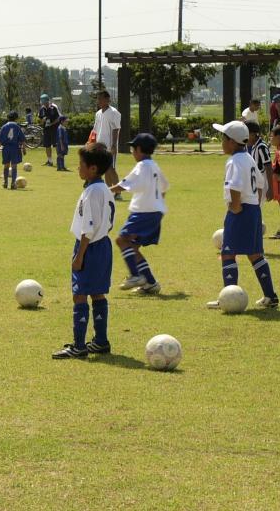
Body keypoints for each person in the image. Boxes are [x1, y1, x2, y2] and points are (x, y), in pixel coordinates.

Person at [52, 143, 115, 359]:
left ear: (93, 168)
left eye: (81, 165)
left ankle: (79, 346)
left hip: (89, 246)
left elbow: (88, 227)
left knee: (79, 295)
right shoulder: (104, 188)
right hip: (104, 245)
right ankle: (100, 341)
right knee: (98, 292)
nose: (78, 168)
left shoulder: (92, 192)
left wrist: (79, 256)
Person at [206, 121, 279, 309]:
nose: (221, 142)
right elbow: (261, 184)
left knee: (228, 253)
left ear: (232, 141)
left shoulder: (234, 161)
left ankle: (228, 297)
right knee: (255, 254)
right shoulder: (248, 158)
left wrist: (236, 208)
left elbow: (235, 187)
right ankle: (270, 296)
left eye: (223, 138)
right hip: (253, 209)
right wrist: (254, 204)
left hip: (241, 210)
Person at [110, 134, 168, 295]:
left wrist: (106, 192)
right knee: (133, 247)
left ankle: (135, 275)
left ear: (139, 150)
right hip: (155, 212)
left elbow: (125, 184)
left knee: (121, 240)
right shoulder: (154, 165)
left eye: (133, 148)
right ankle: (150, 283)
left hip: (144, 212)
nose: (132, 151)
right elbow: (164, 186)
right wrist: (158, 203)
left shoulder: (142, 166)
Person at [92, 90, 122, 198]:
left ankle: (118, 192)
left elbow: (116, 129)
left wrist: (114, 145)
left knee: (111, 169)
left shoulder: (114, 112)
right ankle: (109, 191)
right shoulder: (98, 113)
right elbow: (95, 130)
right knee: (105, 169)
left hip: (110, 146)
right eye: (97, 98)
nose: (98, 101)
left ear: (107, 99)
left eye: (100, 98)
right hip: (100, 146)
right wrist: (92, 143)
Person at [0, 111, 26, 189]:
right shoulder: (17, 127)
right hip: (14, 148)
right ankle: (13, 183)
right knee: (14, 166)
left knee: (6, 165)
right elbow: (22, 139)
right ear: (16, 118)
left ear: (8, 118)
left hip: (6, 148)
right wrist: (24, 148)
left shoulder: (4, 126)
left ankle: (5, 182)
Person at [246, 121, 272, 204]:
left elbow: (268, 166)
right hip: (254, 181)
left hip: (261, 183)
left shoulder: (261, 147)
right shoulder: (252, 145)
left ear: (253, 134)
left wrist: (271, 188)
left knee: (256, 207)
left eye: (246, 134)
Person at [38, 94, 60, 166]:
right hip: (46, 129)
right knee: (47, 145)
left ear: (48, 101)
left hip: (54, 129)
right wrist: (43, 121)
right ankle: (49, 161)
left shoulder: (53, 107)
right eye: (42, 102)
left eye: (44, 102)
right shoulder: (42, 109)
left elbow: (58, 118)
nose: (44, 103)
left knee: (56, 145)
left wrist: (51, 124)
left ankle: (59, 160)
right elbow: (40, 120)